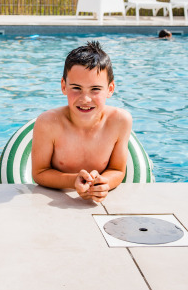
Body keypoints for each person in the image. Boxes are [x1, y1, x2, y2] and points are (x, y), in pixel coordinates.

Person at [31, 41, 131, 202]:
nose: (85, 99)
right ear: (64, 86)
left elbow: (117, 170)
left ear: (110, 89)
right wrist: (72, 180)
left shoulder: (120, 121)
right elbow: (39, 172)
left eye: (95, 89)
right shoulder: (48, 123)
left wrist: (104, 184)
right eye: (76, 88)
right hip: (55, 200)